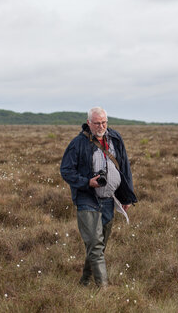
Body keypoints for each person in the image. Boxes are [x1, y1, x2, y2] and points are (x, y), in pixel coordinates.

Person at [60, 107, 137, 287]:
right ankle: (104, 288)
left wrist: (127, 197)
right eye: (97, 123)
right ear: (89, 123)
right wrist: (87, 182)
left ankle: (85, 281)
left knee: (99, 246)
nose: (101, 126)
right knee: (95, 245)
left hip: (109, 199)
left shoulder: (115, 138)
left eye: (104, 122)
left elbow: (124, 167)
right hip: (87, 199)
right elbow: (66, 170)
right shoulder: (78, 143)